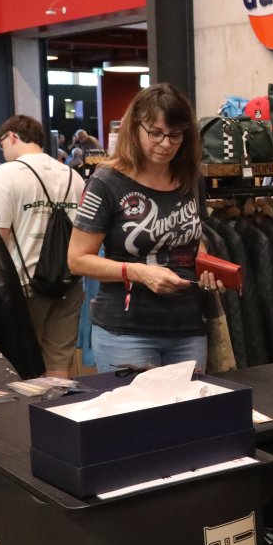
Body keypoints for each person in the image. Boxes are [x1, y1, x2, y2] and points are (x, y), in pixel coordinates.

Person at [66, 85, 220, 370]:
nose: (165, 144)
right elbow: (77, 260)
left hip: (187, 327)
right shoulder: (106, 182)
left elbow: (193, 236)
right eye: (155, 133)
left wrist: (206, 265)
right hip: (127, 332)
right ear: (135, 129)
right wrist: (138, 272)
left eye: (175, 135)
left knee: (191, 400)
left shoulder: (191, 178)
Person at [0, 114, 88, 376]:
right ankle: (57, 404)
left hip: (24, 285)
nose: (3, 151)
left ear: (12, 137)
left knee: (21, 367)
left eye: (1, 144)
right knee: (59, 365)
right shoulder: (73, 175)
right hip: (69, 283)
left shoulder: (6, 174)